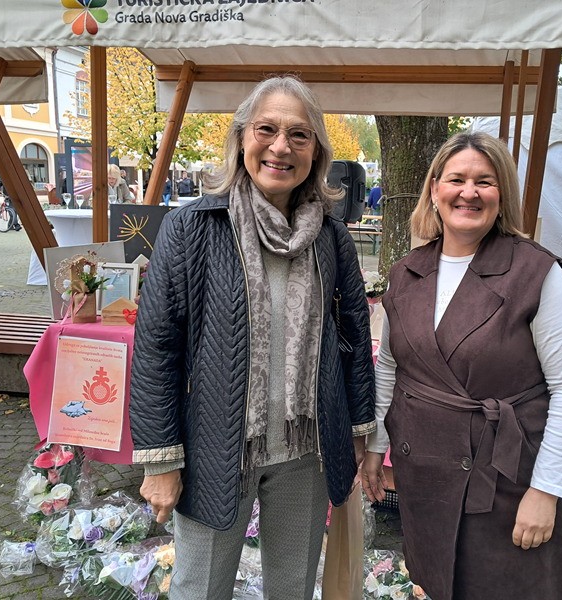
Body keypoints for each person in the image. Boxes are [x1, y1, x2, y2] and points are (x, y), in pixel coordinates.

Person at [129, 75, 376, 600]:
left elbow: (354, 335)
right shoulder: (192, 228)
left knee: (292, 589)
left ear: (316, 152)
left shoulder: (331, 237)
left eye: (299, 135)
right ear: (241, 138)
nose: (281, 147)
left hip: (306, 450)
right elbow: (156, 348)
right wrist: (161, 460)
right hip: (215, 446)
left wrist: (358, 429)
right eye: (266, 129)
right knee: (200, 589)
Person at [361, 131, 562, 600]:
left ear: (501, 194)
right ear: (434, 189)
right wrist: (375, 448)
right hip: (424, 471)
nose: (469, 192)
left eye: (484, 182)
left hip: (506, 477)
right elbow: (389, 368)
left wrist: (547, 491)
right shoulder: (407, 271)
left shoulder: (536, 273)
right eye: (456, 179)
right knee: (435, 582)